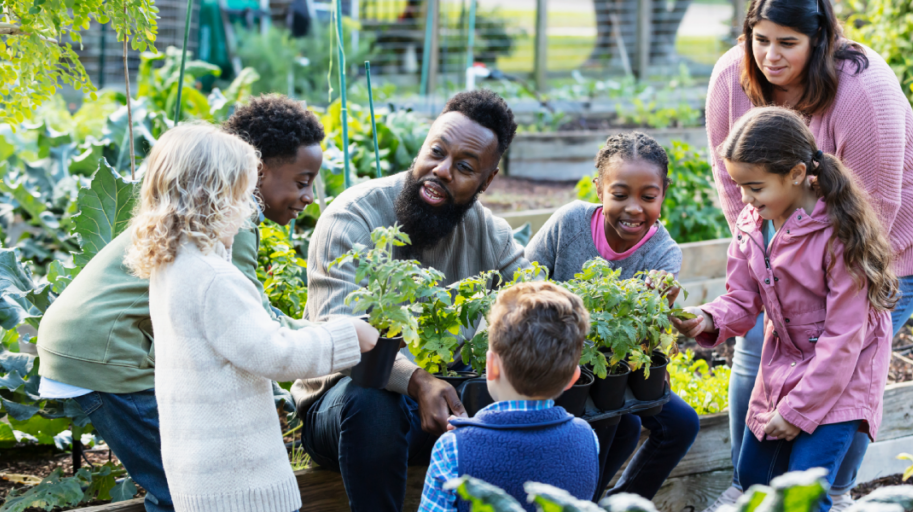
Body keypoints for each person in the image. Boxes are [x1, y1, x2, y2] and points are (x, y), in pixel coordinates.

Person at [704, 0, 913, 507]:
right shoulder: (732, 75)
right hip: (795, 240)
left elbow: (876, 210)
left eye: (787, 43)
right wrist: (761, 266)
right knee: (755, 352)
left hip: (892, 236)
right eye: (761, 39)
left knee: (847, 362)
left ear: (819, 39)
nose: (770, 56)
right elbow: (735, 188)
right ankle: (747, 488)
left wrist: (813, 277)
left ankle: (833, 493)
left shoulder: (863, 88)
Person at [36, 94, 328, 512]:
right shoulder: (231, 223)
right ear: (255, 172)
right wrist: (329, 339)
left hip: (92, 343)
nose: (310, 197)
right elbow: (254, 322)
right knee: (190, 486)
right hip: (105, 350)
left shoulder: (201, 219)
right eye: (302, 182)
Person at [293, 89, 527, 511]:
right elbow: (340, 339)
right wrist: (418, 380)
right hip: (342, 411)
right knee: (372, 398)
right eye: (435, 152)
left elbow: (535, 306)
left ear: (487, 180)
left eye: (465, 167)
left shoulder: (492, 236)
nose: (441, 171)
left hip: (442, 410)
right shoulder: (354, 217)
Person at [125, 123, 378, 511]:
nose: (249, 208)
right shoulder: (214, 279)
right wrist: (346, 335)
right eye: (244, 195)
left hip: (202, 475)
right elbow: (273, 353)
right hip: (242, 484)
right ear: (216, 197)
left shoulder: (174, 264)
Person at [674, 107, 898, 512]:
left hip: (842, 376)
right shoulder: (753, 224)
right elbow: (742, 300)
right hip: (784, 366)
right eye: (739, 185)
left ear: (796, 174)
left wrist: (797, 411)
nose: (744, 198)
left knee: (804, 491)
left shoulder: (839, 235)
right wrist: (709, 317)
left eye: (755, 187)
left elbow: (845, 339)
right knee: (756, 482)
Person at [525, 132, 699, 501]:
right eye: (620, 195)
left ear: (663, 193)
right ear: (599, 189)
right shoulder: (569, 223)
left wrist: (659, 308)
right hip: (553, 360)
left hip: (617, 366)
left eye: (648, 197)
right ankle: (578, 502)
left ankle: (618, 503)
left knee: (681, 424)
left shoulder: (664, 253)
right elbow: (522, 284)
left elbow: (648, 333)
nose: (634, 208)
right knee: (619, 421)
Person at [419, 281, 599, 511]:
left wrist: (465, 441)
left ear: (491, 365)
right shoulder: (588, 438)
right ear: (573, 378)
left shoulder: (452, 448)